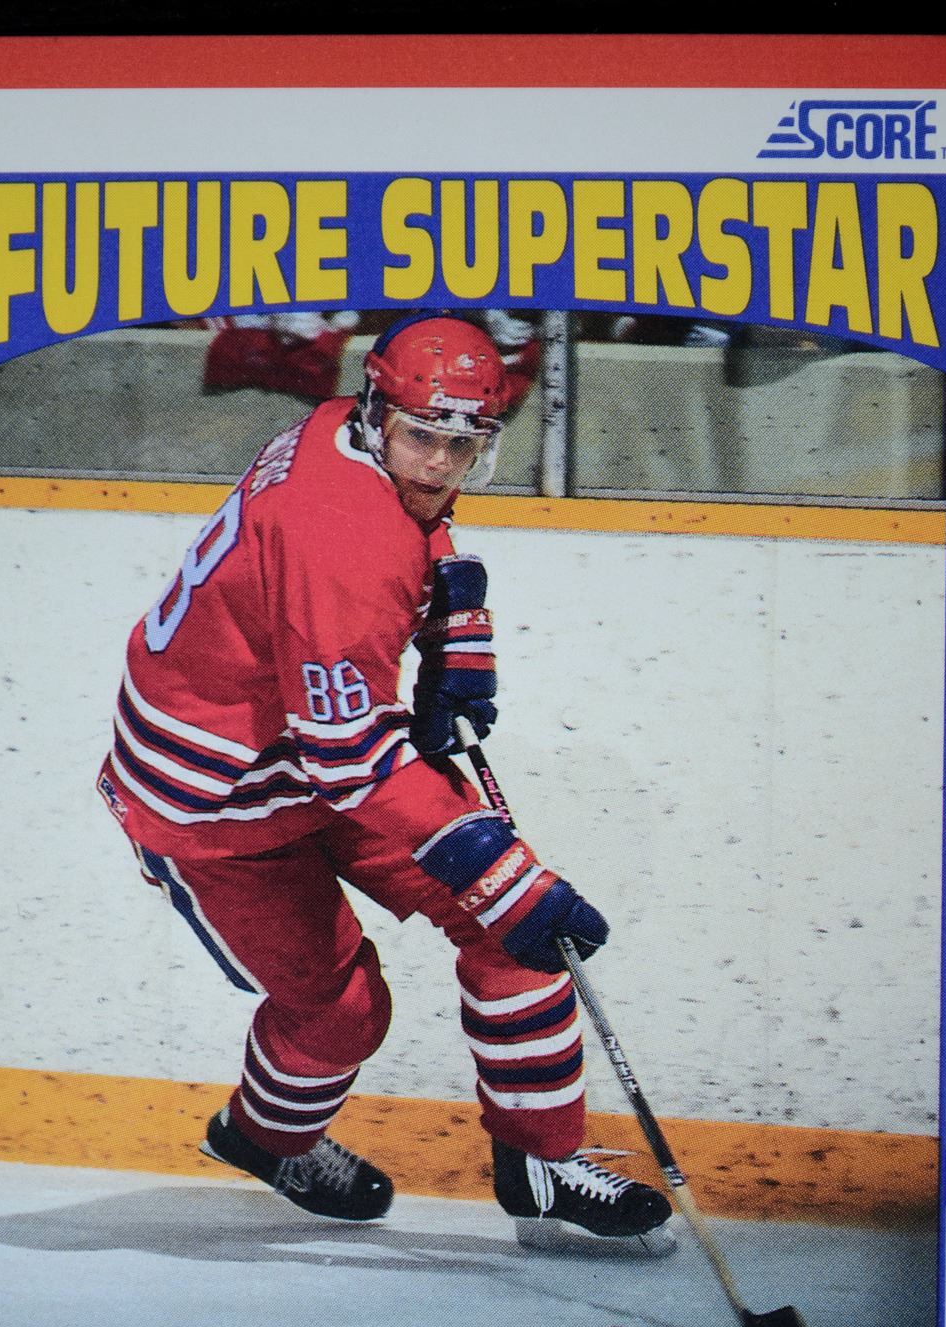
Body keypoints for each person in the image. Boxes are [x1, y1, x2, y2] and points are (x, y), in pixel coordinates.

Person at [96, 313, 670, 1241]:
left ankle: (542, 1161)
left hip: (308, 741)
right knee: (346, 1009)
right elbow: (352, 756)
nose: (439, 466)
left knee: (514, 934)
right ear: (378, 414)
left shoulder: (341, 426)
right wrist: (500, 871)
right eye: (423, 438)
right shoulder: (339, 537)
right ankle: (264, 1136)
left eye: (463, 444)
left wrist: (455, 616)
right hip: (212, 795)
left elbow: (418, 533)